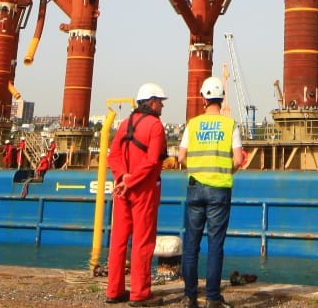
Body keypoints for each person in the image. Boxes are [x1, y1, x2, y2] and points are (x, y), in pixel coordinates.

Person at [178, 76, 247, 308]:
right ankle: (212, 298)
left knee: (191, 244)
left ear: (203, 99)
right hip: (220, 190)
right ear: (222, 98)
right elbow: (238, 159)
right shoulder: (230, 125)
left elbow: (180, 156)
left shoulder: (193, 124)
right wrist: (227, 171)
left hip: (195, 188)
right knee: (215, 245)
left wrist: (194, 169)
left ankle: (189, 296)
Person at [105, 82, 169, 305]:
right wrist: (131, 180)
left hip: (122, 190)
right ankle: (140, 295)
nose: (162, 106)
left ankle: (114, 291)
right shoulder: (156, 126)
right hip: (144, 191)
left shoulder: (125, 123)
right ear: (152, 102)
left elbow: (112, 156)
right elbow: (153, 161)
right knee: (142, 242)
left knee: (118, 241)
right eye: (160, 102)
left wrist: (122, 178)